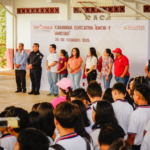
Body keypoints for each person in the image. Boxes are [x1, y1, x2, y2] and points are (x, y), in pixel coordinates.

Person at [127, 84, 150, 150]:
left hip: (137, 147)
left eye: (134, 94)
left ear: (138, 97)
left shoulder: (135, 114)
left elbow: (131, 136)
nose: (133, 96)